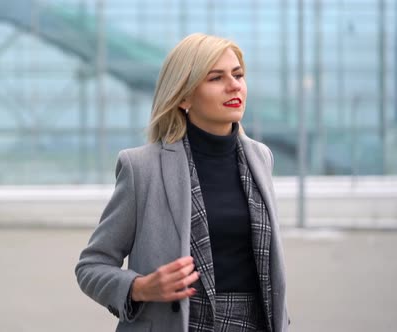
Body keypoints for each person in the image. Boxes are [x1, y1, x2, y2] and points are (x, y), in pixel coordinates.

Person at [75, 33, 290, 331]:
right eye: (216, 78)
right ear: (184, 96)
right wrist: (140, 287)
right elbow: (91, 266)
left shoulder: (261, 158)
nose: (234, 85)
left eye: (238, 74)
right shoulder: (141, 167)